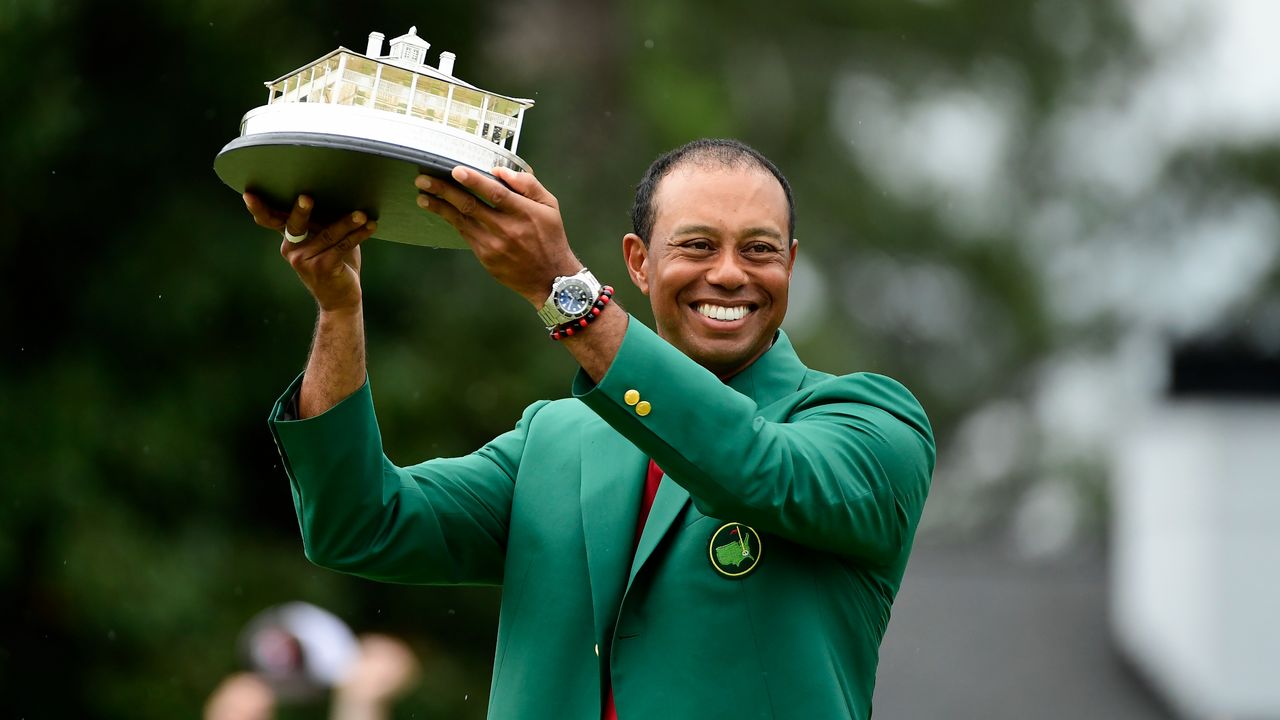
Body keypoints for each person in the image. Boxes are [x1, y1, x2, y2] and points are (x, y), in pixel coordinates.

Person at [245, 138, 935, 719]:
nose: (729, 273)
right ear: (638, 262)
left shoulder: (871, 422)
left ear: (788, 262)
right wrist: (339, 309)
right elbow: (360, 524)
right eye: (697, 245)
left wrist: (562, 288)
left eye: (759, 250)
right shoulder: (557, 438)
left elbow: (754, 467)